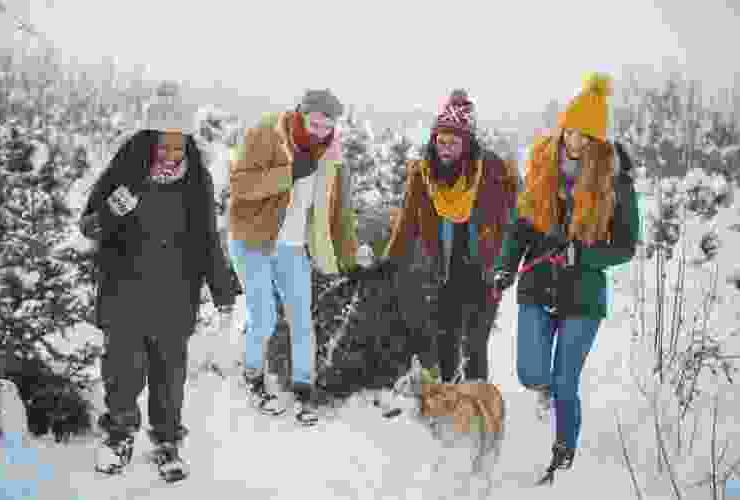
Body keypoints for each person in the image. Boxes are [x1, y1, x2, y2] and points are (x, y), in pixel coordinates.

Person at [79, 82, 239, 481]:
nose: (171, 153)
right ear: (148, 141)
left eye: (178, 144)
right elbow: (89, 225)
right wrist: (116, 208)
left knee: (169, 376)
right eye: (163, 145)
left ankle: (167, 442)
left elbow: (207, 240)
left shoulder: (196, 180)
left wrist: (222, 288)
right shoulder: (125, 172)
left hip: (174, 296)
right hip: (124, 292)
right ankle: (119, 436)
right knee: (123, 371)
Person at [492, 73, 640, 484]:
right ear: (562, 130)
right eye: (571, 132)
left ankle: (564, 451)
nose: (575, 142)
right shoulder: (540, 169)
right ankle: (544, 395)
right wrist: (506, 265)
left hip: (583, 296)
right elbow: (520, 229)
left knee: (565, 382)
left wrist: (585, 256)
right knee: (531, 373)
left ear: (598, 141)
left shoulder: (616, 181)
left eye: (586, 136)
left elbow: (627, 245)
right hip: (537, 288)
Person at [353, 89, 520, 383]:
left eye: (453, 142)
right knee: (445, 342)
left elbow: (511, 221)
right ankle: (450, 407)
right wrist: (388, 260)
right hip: (444, 272)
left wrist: (506, 265)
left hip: (485, 270)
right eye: (440, 141)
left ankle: (476, 411)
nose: (445, 148)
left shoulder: (491, 170)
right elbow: (407, 223)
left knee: (475, 346)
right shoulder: (423, 173)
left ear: (467, 143)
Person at [228, 89, 358, 426]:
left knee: (302, 318)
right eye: (313, 123)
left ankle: (303, 389)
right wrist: (287, 174)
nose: (318, 132)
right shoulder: (268, 133)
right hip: (253, 240)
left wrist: (348, 253)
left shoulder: (331, 153)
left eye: (326, 126)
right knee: (265, 316)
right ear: (300, 114)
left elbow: (338, 210)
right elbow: (240, 185)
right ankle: (254, 376)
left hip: (292, 245)